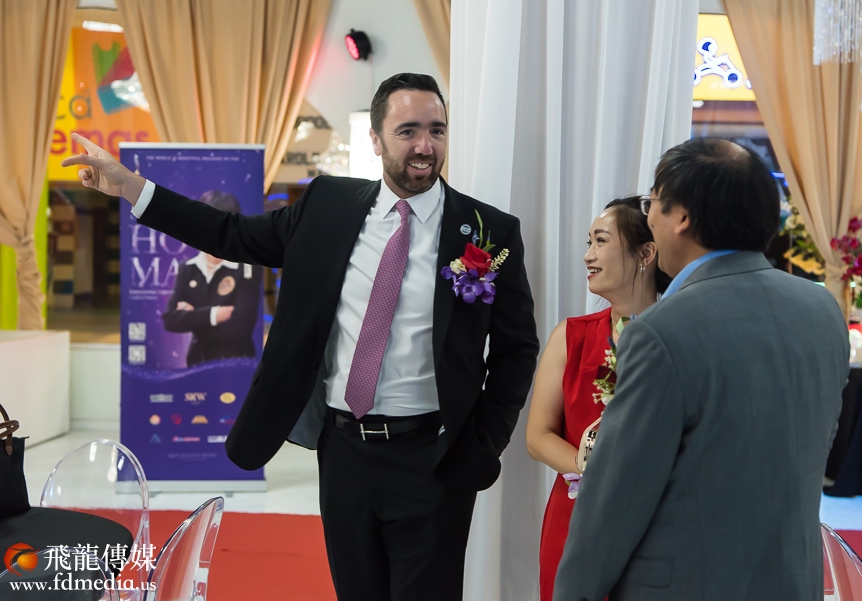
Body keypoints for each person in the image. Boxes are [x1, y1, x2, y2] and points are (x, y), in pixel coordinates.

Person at [62, 73, 539, 601]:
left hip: (434, 459)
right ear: (376, 140)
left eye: (437, 130)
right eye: (408, 131)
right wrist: (132, 187)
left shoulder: (488, 231)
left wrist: (482, 441)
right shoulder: (328, 206)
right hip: (344, 453)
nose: (425, 146)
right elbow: (230, 234)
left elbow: (517, 348)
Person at [554, 138, 849, 601]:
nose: (650, 218)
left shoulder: (661, 330)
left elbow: (616, 498)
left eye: (654, 203)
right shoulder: (822, 309)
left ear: (682, 218)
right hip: (793, 579)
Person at [526, 195, 670, 601]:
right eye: (588, 242)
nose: (588, 255)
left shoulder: (680, 335)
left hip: (655, 519)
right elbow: (537, 437)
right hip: (577, 514)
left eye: (601, 241)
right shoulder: (570, 336)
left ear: (646, 253)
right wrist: (594, 470)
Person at [161, 190, 261, 366]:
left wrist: (193, 318)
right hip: (196, 362)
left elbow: (241, 327)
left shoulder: (248, 267)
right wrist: (214, 314)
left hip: (235, 364)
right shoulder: (188, 268)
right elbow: (170, 320)